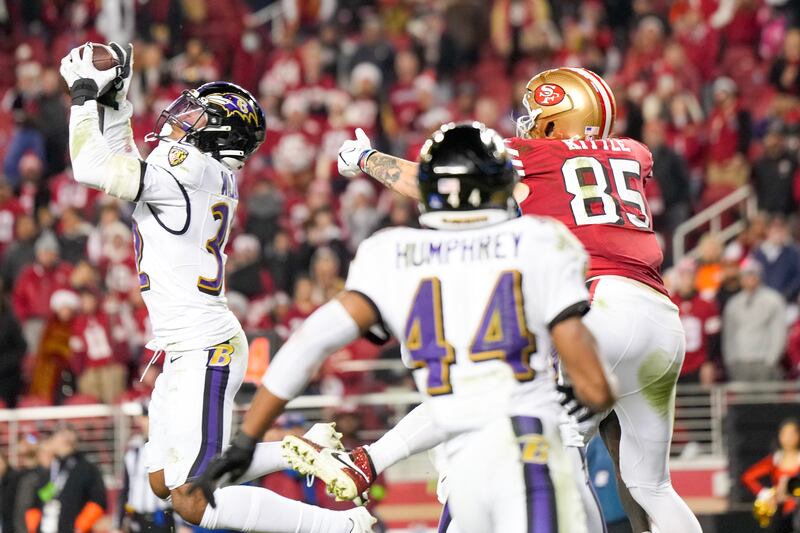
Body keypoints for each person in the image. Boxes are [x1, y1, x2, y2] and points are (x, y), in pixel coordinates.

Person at [191, 122, 616, 533]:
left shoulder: (390, 253)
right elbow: (594, 385)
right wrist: (594, 393)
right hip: (529, 449)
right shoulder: (541, 241)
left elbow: (310, 342)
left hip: (462, 466)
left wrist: (247, 440)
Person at [332, 67, 701, 533]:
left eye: (539, 114)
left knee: (544, 429)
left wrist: (364, 158)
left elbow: (436, 180)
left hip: (595, 305)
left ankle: (373, 457)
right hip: (659, 315)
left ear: (557, 118)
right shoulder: (634, 153)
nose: (530, 122)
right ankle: (373, 457)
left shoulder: (532, 153)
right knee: (652, 485)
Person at [59, 42, 374, 533]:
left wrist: (83, 95)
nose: (182, 120)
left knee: (192, 499)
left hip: (204, 344)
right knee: (164, 481)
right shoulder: (199, 170)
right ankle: (301, 449)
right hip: (187, 344)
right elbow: (121, 159)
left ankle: (342, 527)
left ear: (218, 136)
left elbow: (91, 168)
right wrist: (115, 101)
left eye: (198, 118)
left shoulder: (189, 170)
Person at [25, 425, 107, 533]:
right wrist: (34, 528)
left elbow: (97, 501)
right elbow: (34, 504)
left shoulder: (87, 469)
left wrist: (80, 527)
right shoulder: (49, 470)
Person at [722, 259, 787, 382]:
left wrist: (771, 360)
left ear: (759, 276)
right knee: (742, 401)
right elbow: (729, 335)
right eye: (746, 275)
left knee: (766, 400)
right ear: (741, 278)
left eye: (752, 274)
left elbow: (778, 332)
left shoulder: (773, 300)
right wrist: (731, 360)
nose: (749, 278)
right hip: (740, 362)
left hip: (764, 361)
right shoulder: (733, 303)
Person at [115, 405, 174, 533]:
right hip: (137, 520)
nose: (144, 421)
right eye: (143, 417)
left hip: (162, 518)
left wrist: (183, 523)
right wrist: (119, 523)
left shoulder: (170, 448)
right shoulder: (133, 451)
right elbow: (126, 489)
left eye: (148, 417)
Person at [743, 419, 800, 533]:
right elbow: (748, 477)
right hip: (780, 513)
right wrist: (766, 494)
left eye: (792, 434)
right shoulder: (775, 460)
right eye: (784, 433)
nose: (788, 438)